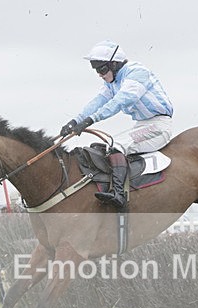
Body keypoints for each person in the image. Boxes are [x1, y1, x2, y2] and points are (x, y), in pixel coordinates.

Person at [60, 40, 173, 209]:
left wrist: (91, 120)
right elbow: (98, 101)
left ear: (114, 64)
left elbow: (120, 101)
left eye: (101, 69)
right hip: (142, 124)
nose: (99, 74)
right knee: (108, 145)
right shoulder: (112, 82)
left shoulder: (136, 72)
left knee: (116, 145)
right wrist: (76, 120)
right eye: (96, 70)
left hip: (159, 125)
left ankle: (119, 195)